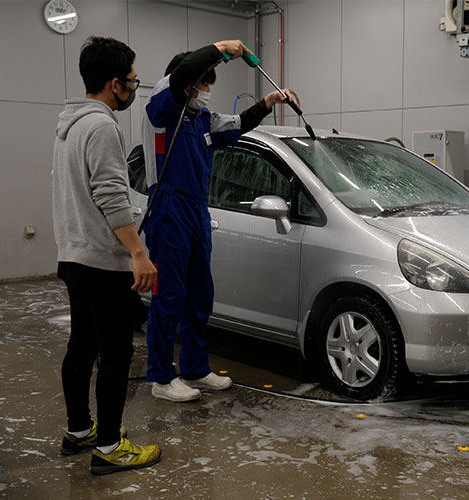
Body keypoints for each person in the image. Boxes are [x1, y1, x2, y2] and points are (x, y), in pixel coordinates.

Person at [142, 40, 292, 402]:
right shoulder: (161, 108)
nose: (207, 91)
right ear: (188, 84)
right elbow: (182, 73)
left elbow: (239, 124)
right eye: (204, 84)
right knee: (169, 295)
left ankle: (194, 368)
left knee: (200, 294)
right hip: (168, 209)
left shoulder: (202, 120)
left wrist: (267, 103)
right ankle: (161, 377)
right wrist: (219, 48)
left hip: (196, 210)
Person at [52, 36, 161, 475]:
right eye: (132, 80)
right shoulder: (101, 127)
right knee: (115, 354)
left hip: (74, 255)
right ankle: (111, 447)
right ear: (115, 83)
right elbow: (111, 195)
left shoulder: (70, 126)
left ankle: (80, 430)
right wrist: (138, 253)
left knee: (82, 345)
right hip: (101, 260)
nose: (134, 87)